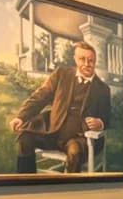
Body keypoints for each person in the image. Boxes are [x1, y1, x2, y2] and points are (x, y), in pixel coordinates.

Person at [10, 41, 111, 173]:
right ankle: (25, 183)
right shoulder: (62, 74)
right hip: (52, 132)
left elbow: (107, 117)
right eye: (82, 59)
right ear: (75, 59)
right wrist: (21, 117)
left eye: (91, 60)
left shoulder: (102, 89)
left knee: (74, 152)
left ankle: (69, 190)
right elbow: (40, 97)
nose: (87, 64)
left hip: (79, 138)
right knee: (25, 139)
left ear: (95, 61)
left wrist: (100, 123)